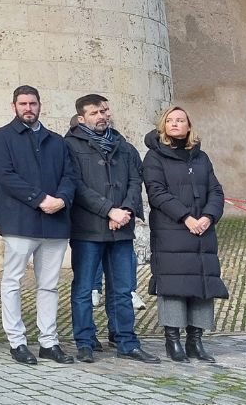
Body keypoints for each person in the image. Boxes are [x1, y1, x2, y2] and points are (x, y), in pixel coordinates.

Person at [64, 94, 160, 364]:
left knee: (121, 288)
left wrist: (126, 211)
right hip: (88, 229)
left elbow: (134, 180)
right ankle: (85, 341)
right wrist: (108, 210)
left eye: (105, 110)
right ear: (82, 118)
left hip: (121, 228)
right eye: (95, 113)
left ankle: (125, 340)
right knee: (83, 288)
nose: (102, 116)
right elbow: (76, 185)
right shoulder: (69, 145)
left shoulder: (123, 145)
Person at [0, 85, 79, 365]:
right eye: (23, 103)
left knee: (49, 285)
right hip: (20, 221)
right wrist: (39, 199)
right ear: (14, 106)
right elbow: (5, 175)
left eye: (33, 103)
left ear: (40, 105)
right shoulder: (1, 137)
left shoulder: (56, 140)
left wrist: (62, 199)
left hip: (55, 223)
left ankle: (49, 341)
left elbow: (70, 175)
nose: (28, 108)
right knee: (13, 282)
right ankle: (17, 341)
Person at [143, 106, 227, 363]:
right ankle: (173, 341)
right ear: (163, 126)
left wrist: (208, 217)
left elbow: (216, 190)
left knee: (201, 283)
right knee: (174, 285)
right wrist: (187, 217)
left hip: (202, 231)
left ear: (189, 126)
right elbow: (156, 193)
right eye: (170, 120)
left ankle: (195, 341)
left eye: (181, 120)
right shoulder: (155, 157)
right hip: (172, 230)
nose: (175, 124)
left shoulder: (201, 158)